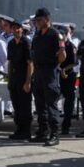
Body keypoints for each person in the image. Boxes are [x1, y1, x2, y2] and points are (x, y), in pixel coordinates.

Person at [29, 8, 66, 145]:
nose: (37, 23)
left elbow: (62, 56)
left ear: (47, 19)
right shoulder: (37, 35)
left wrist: (59, 54)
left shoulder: (55, 35)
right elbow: (33, 54)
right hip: (38, 72)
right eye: (36, 20)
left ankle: (54, 134)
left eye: (39, 20)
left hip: (50, 72)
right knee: (40, 104)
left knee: (51, 104)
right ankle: (43, 131)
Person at [6, 17, 33, 141]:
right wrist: (9, 79)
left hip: (24, 76)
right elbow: (10, 62)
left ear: (22, 29)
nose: (16, 30)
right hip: (14, 77)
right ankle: (19, 129)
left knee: (25, 105)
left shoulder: (26, 43)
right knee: (16, 105)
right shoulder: (11, 43)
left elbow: (30, 64)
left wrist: (28, 82)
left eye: (18, 28)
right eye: (14, 28)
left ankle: (26, 131)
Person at [57, 23, 78, 135]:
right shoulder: (57, 45)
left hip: (68, 76)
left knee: (68, 101)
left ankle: (66, 125)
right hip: (57, 75)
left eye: (62, 35)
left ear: (66, 35)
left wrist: (64, 69)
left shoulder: (70, 46)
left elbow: (75, 62)